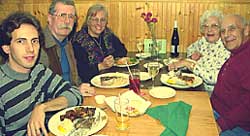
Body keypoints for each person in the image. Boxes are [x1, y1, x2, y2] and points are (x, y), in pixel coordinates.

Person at [0, 12, 83, 136]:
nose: (31, 49)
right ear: (6, 48)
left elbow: (75, 94)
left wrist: (42, 107)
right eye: (21, 41)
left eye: (34, 41)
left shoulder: (39, 71)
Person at [168, 10, 230, 95]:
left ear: (221, 29)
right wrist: (192, 56)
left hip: (213, 94)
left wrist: (188, 63)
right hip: (197, 88)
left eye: (214, 26)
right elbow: (190, 48)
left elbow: (213, 78)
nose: (209, 30)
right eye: (206, 26)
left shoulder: (226, 48)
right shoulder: (204, 41)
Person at [39, 0, 94, 95]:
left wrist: (83, 88)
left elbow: (74, 79)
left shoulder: (67, 44)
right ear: (49, 18)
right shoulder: (38, 46)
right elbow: (41, 91)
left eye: (71, 17)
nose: (67, 21)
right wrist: (75, 91)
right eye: (62, 15)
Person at [211, 14, 250, 136]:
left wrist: (221, 124)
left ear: (247, 30)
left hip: (235, 126)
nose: (226, 35)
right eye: (223, 31)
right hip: (216, 112)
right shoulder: (238, 52)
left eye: (232, 29)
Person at [72, 4, 127, 82]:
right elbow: (81, 72)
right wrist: (101, 66)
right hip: (90, 84)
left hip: (112, 79)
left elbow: (122, 50)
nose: (99, 23)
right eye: (95, 19)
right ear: (88, 21)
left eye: (102, 20)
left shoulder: (108, 34)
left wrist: (112, 58)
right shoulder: (78, 41)